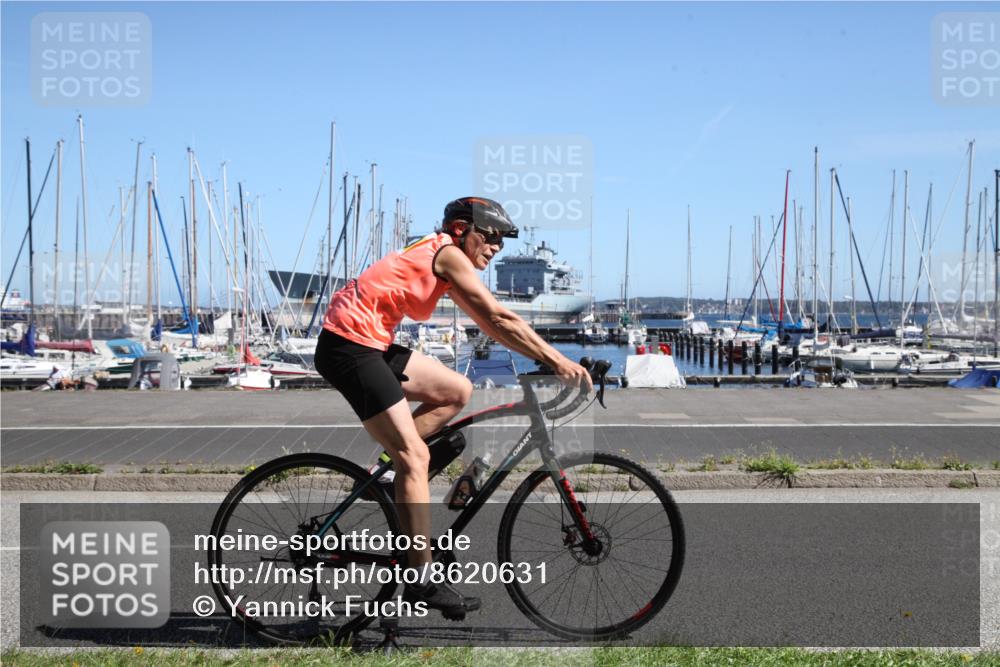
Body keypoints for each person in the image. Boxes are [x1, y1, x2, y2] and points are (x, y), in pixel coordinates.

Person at [314, 196, 592, 619]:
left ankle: (387, 476)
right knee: (417, 454)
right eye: (491, 236)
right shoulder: (447, 254)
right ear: (462, 229)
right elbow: (499, 317)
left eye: (502, 241)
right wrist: (557, 360)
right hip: (348, 347)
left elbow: (490, 323)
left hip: (371, 342)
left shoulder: (444, 260)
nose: (497, 247)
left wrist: (545, 356)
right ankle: (420, 578)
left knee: (457, 390)